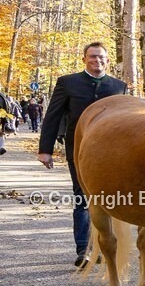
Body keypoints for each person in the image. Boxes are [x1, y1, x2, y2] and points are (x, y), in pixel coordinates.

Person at [38, 42, 128, 267]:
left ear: (107, 61)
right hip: (79, 151)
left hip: (113, 153)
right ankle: (84, 250)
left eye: (101, 57)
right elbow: (53, 116)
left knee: (110, 199)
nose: (97, 60)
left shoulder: (119, 86)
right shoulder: (68, 83)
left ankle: (105, 245)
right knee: (82, 197)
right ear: (84, 59)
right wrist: (45, 150)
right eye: (92, 56)